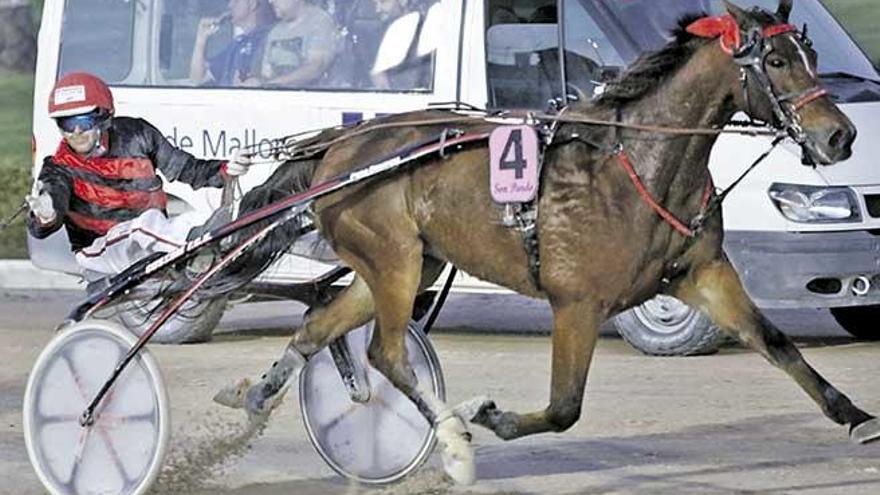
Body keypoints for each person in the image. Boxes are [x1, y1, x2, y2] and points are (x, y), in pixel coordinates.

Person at [26, 72, 251, 277]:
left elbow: (186, 168)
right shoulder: (57, 168)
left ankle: (212, 245)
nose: (76, 132)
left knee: (192, 218)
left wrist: (225, 170)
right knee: (144, 225)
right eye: (67, 123)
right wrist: (46, 214)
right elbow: (49, 205)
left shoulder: (138, 134)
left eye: (82, 121)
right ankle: (196, 251)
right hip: (100, 251)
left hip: (149, 240)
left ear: (103, 116)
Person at [190, 0, 276, 86]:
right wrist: (201, 38)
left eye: (236, 1)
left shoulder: (271, 37)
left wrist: (261, 83)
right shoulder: (237, 44)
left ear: (252, 4)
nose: (229, 5)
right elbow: (198, 78)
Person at [255, 0, 339, 87]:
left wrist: (275, 84)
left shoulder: (320, 21)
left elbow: (315, 68)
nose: (271, 1)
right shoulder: (275, 32)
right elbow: (266, 74)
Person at [368, 0, 431, 90]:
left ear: (403, 1)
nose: (377, 10)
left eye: (383, 2)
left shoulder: (420, 31)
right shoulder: (377, 35)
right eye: (375, 4)